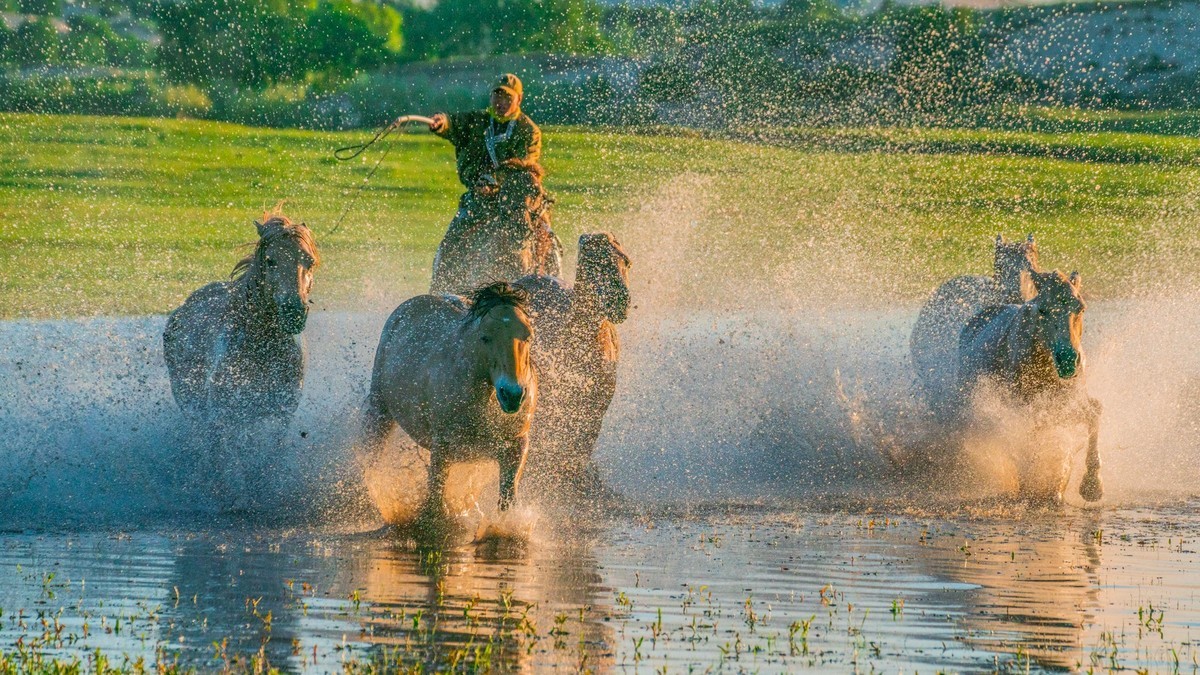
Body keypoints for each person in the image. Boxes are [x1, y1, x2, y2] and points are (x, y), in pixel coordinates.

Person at [427, 74, 560, 292]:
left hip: (516, 197)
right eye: (497, 96)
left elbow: (524, 166)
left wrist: (494, 182)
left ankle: (550, 285)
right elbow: (452, 124)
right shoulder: (476, 121)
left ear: (519, 99)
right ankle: (441, 290)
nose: (501, 103)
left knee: (545, 238)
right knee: (451, 242)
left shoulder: (529, 130)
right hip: (479, 196)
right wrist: (441, 123)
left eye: (507, 98)